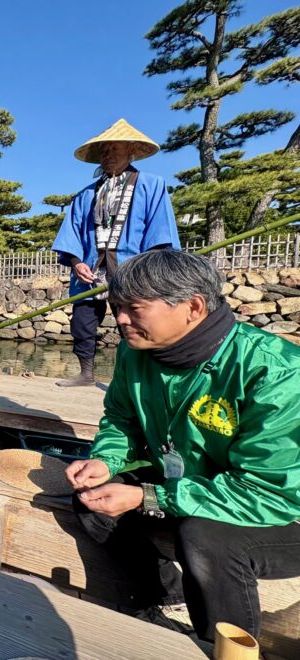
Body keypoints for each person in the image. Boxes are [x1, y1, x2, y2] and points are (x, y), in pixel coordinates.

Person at [65, 250, 300, 642]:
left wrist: (148, 497)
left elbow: (267, 491)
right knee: (89, 495)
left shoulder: (276, 373)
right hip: (192, 481)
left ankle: (226, 647)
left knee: (206, 537)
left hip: (283, 511)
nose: (120, 320)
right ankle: (165, 596)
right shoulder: (134, 350)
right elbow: (121, 420)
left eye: (133, 308)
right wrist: (106, 461)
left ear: (193, 307)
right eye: (116, 307)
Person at [52, 119, 181, 386]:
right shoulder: (86, 194)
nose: (108, 155)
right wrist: (76, 263)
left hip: (133, 267)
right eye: (104, 151)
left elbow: (160, 231)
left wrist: (147, 270)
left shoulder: (152, 185)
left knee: (135, 322)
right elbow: (72, 232)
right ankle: (86, 373)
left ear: (131, 149)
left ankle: (139, 379)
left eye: (114, 149)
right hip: (92, 268)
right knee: (83, 322)